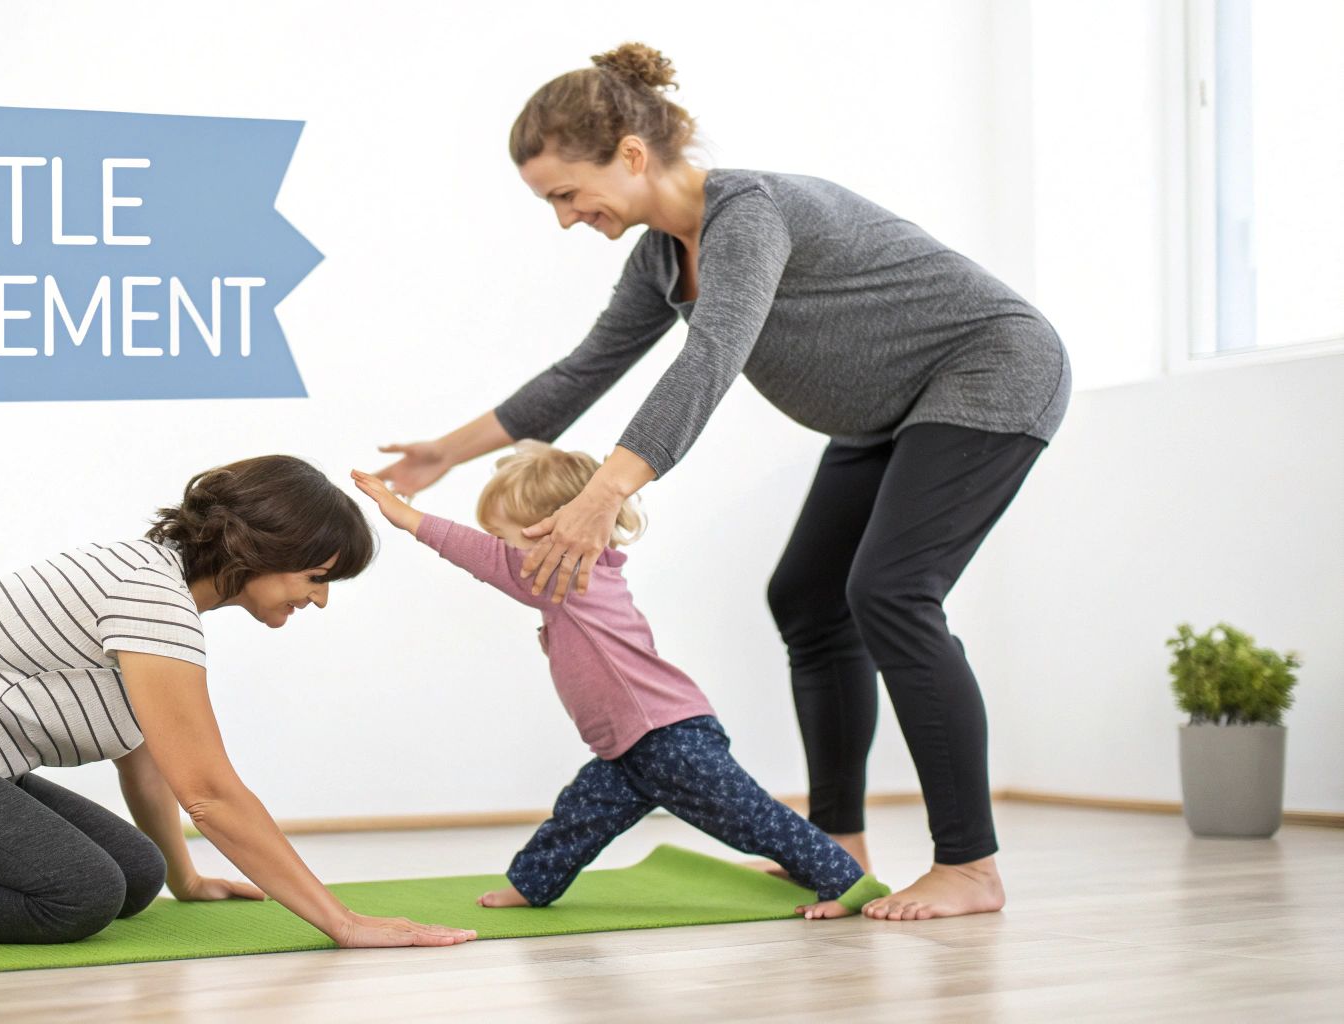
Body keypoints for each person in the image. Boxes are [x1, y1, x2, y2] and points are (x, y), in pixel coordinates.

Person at [376, 43, 1069, 921]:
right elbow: (584, 371)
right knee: (809, 599)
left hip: (988, 371)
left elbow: (711, 357)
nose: (565, 219)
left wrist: (603, 493)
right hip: (885, 415)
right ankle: (839, 842)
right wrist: (446, 452)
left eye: (566, 194)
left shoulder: (750, 213)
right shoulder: (662, 259)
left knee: (891, 592)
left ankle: (969, 864)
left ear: (632, 154)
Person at [0, 455, 477, 948]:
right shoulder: (150, 597)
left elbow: (150, 764)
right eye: (317, 578)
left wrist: (182, 878)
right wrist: (341, 922)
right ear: (264, 550)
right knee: (79, 894)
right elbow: (208, 790)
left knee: (132, 873)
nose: (321, 600)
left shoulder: (158, 591)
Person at [352, 446, 889, 918]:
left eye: (506, 538)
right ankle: (531, 885)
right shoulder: (579, 581)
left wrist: (409, 518)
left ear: (557, 533)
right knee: (580, 816)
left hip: (668, 736)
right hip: (629, 747)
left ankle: (847, 882)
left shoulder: (566, 576)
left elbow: (485, 559)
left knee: (748, 818)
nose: (504, 551)